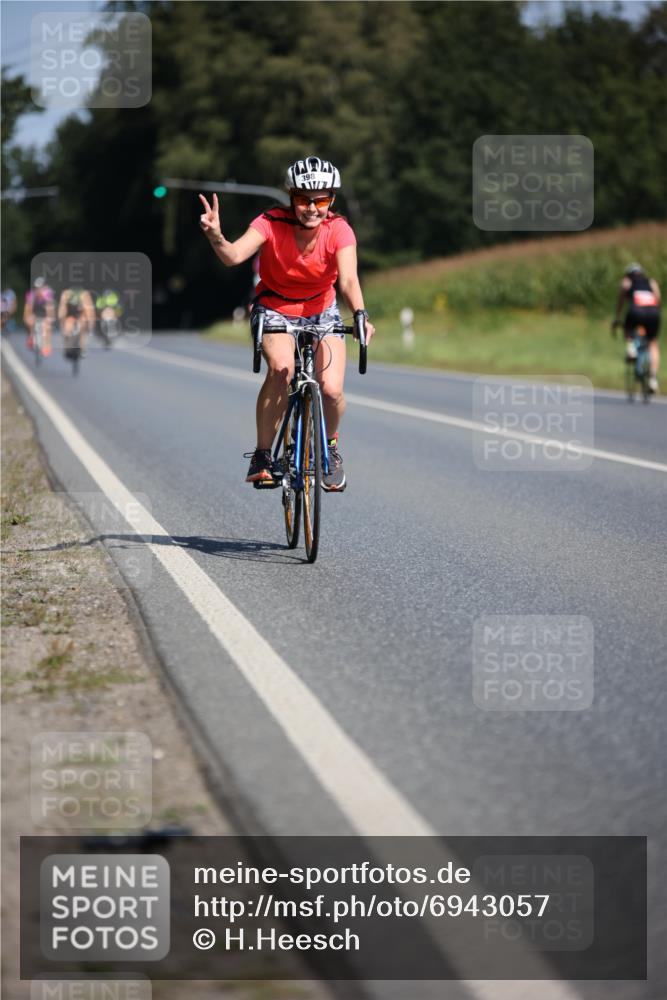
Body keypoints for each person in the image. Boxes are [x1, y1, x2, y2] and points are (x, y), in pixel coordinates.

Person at [199, 156, 375, 491]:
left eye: (321, 200)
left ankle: (331, 448)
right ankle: (263, 455)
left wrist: (361, 314)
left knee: (332, 389)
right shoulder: (269, 222)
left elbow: (349, 280)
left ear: (331, 200)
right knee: (281, 369)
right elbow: (234, 256)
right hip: (275, 306)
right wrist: (216, 236)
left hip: (322, 309)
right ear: (291, 197)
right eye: (303, 199)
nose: (312, 208)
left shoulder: (339, 229)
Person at [612, 262, 661, 393]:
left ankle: (631, 348)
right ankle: (652, 378)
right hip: (653, 313)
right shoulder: (651, 282)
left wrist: (616, 318)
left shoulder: (627, 281)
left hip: (636, 311)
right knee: (652, 344)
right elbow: (658, 299)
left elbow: (620, 301)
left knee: (627, 328)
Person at [58, 286, 96, 354]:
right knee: (68, 325)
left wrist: (90, 324)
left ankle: (81, 346)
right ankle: (67, 345)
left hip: (80, 315)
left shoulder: (84, 295)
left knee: (83, 324)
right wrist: (62, 321)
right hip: (70, 314)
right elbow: (62, 309)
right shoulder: (66, 294)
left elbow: (89, 311)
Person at [23, 277, 55, 356]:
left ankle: (47, 345)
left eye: (41, 288)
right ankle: (31, 336)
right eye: (37, 288)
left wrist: (50, 318)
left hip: (44, 313)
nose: (39, 290)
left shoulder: (48, 294)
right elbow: (28, 308)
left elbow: (50, 307)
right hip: (35, 313)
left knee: (47, 326)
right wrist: (26, 317)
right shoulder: (31, 294)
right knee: (30, 320)